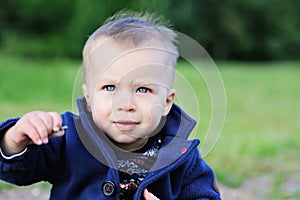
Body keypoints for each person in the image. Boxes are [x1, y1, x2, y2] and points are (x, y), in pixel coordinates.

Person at [0, 11, 221, 199]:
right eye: (110, 88)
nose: (125, 105)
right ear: (89, 97)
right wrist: (14, 139)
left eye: (143, 89)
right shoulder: (68, 138)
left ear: (166, 102)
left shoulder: (181, 155)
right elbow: (20, 169)